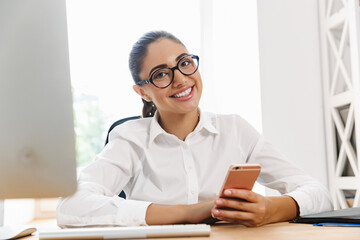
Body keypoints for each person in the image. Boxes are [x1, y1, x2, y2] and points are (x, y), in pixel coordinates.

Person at [57, 31, 333, 228]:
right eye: (161, 74)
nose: (181, 79)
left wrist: (270, 209)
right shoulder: (131, 138)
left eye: (185, 63)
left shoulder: (235, 130)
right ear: (143, 91)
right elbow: (71, 206)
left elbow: (318, 193)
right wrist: (191, 212)